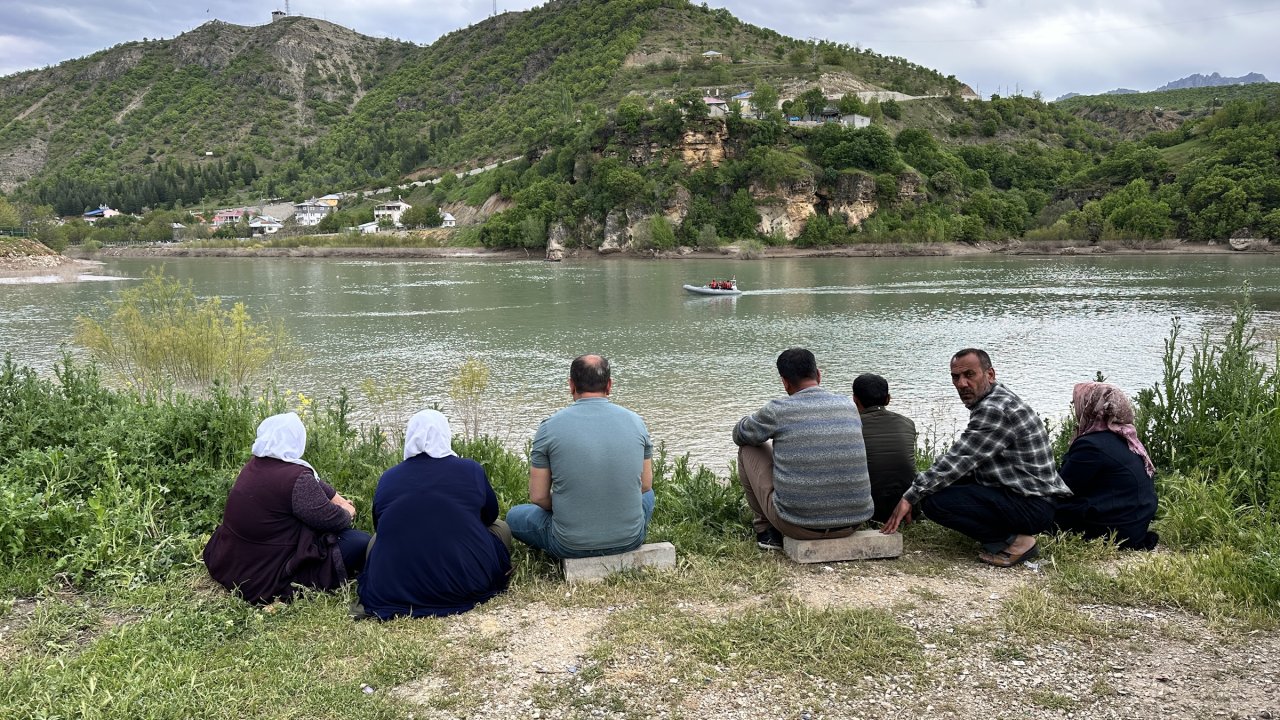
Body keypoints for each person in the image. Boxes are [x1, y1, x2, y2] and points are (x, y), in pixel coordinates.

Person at [882, 349, 1071, 567]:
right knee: (936, 486)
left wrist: (910, 496)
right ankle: (1009, 534)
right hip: (1027, 496)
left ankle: (1018, 542)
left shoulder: (995, 409)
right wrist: (922, 484)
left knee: (934, 502)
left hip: (1032, 505)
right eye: (955, 377)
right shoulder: (995, 397)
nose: (961, 383)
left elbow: (958, 460)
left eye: (969, 375)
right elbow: (962, 460)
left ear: (989, 375)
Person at [357, 409, 513, 619]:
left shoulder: (388, 477)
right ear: (445, 435)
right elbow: (490, 515)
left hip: (393, 591)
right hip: (468, 583)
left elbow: (380, 525)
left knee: (375, 541)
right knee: (501, 528)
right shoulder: (471, 469)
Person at [203, 412, 370, 603]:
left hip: (232, 562)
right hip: (265, 575)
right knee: (360, 541)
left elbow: (316, 484)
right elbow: (332, 520)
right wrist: (347, 512)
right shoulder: (296, 479)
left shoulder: (255, 466)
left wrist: (337, 499)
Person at [506, 354, 655, 558]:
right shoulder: (637, 422)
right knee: (649, 497)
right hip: (630, 539)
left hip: (569, 545)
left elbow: (539, 496)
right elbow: (645, 485)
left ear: (571, 385)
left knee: (514, 515)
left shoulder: (549, 427)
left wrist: (567, 505)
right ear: (609, 385)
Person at [733, 348, 874, 550]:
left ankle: (766, 532)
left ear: (785, 382)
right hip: (852, 522)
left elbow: (740, 435)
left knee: (748, 448)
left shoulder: (778, 409)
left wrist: (752, 421)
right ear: (818, 374)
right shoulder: (848, 405)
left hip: (798, 525)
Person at [1054, 382, 1159, 550]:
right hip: (1135, 524)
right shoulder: (1126, 437)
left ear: (1089, 407)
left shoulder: (1091, 445)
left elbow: (1061, 489)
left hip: (1114, 530)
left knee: (1039, 509)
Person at [852, 373, 919, 524]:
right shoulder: (908, 423)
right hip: (908, 506)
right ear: (888, 399)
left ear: (855, 400)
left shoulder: (851, 427)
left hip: (867, 510)